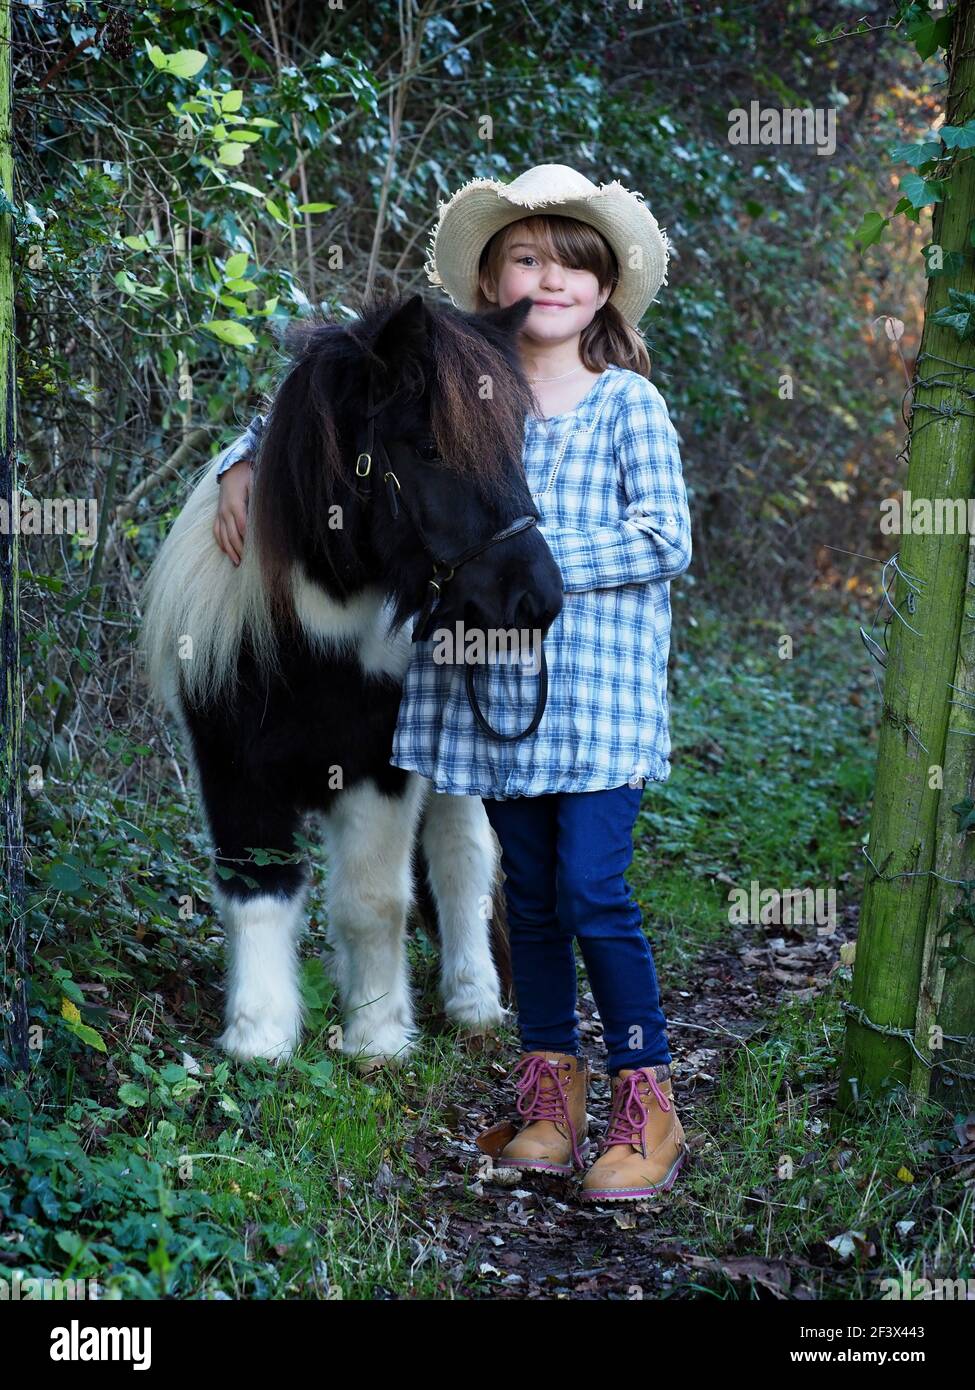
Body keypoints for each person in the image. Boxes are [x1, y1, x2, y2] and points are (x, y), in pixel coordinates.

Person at [211, 164, 693, 1203]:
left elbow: (666, 537)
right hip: (493, 711)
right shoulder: (464, 380)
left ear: (605, 289)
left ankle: (647, 1099)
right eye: (527, 259)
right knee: (531, 896)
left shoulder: (627, 404)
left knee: (592, 890)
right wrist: (239, 460)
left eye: (572, 265)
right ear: (491, 281)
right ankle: (551, 1091)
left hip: (596, 706)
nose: (549, 280)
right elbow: (334, 411)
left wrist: (522, 552)